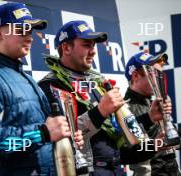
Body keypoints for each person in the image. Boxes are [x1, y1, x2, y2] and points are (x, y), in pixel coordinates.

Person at [0, 3, 83, 176]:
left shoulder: (27, 79)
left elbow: (46, 133)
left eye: (31, 31)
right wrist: (42, 133)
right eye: (22, 30)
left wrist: (64, 135)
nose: (30, 37)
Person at [38, 20, 168, 175]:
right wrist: (100, 111)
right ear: (66, 48)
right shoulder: (52, 84)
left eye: (93, 45)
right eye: (87, 45)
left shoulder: (98, 81)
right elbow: (63, 136)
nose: (93, 51)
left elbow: (117, 137)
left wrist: (149, 119)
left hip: (114, 169)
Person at [123, 52, 181, 176]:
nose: (160, 78)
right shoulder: (124, 108)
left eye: (160, 74)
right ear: (136, 76)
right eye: (153, 73)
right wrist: (155, 145)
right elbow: (125, 154)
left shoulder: (155, 101)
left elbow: (177, 141)